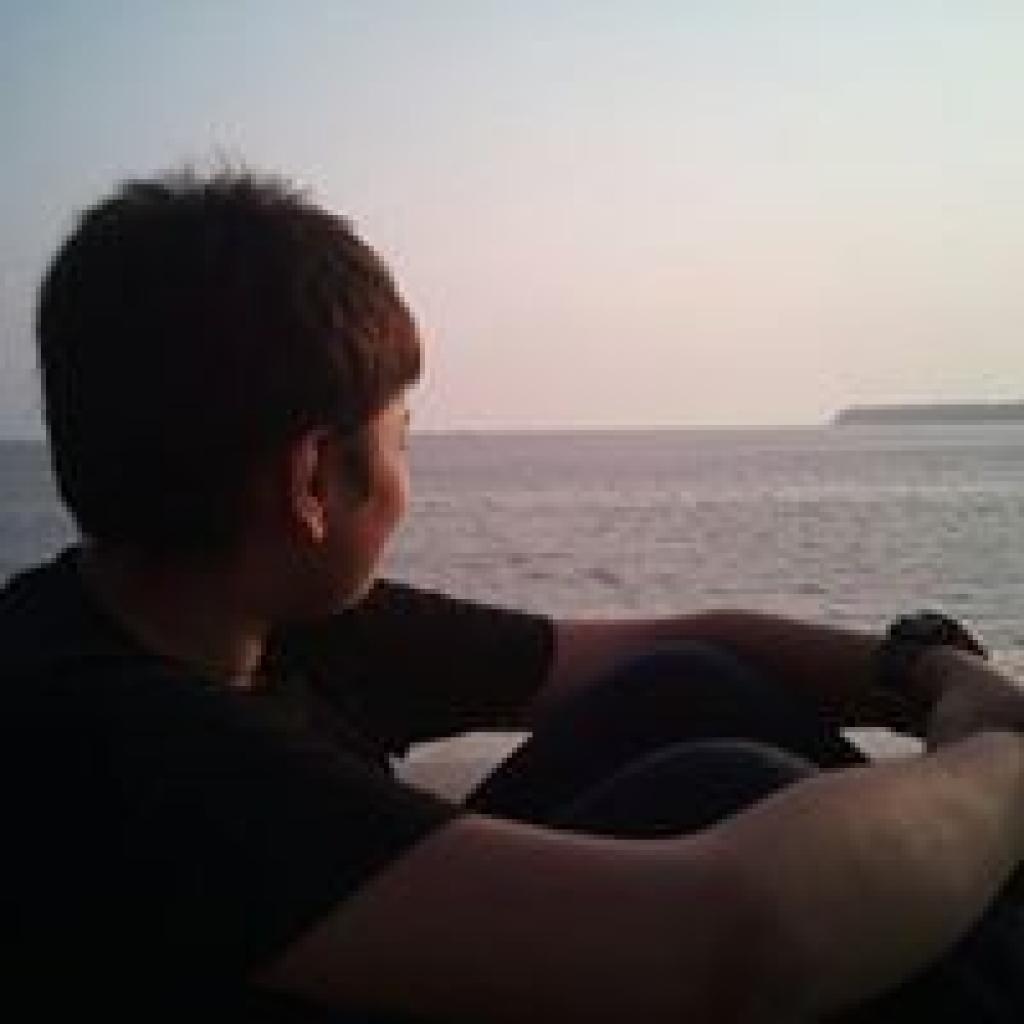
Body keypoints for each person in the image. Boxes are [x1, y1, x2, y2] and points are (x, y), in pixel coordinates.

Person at [5, 169, 1024, 1023]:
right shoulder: (105, 735)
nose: (408, 481)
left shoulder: (246, 609)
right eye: (403, 441)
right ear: (313, 482)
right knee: (721, 795)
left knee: (684, 687)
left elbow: (675, 648)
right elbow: (734, 943)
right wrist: (1000, 766)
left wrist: (922, 671)